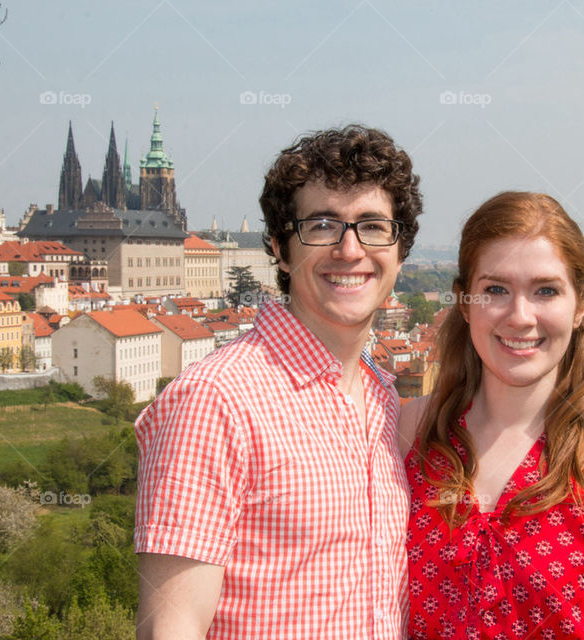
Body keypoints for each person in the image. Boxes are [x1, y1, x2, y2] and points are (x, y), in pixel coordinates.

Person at [135, 125, 423, 639]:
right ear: (280, 249)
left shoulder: (383, 399)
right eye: (321, 225)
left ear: (400, 251)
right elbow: (170, 627)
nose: (350, 249)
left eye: (373, 227)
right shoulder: (215, 400)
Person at [399, 192, 584, 639]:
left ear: (582, 304)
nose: (520, 317)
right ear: (464, 301)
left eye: (546, 291)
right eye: (495, 290)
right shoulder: (407, 432)